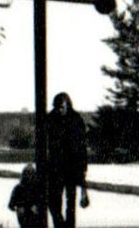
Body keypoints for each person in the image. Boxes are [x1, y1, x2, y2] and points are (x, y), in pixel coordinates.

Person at [45, 92, 90, 227]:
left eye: (62, 107)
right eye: (58, 107)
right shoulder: (51, 119)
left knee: (71, 203)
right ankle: (60, 226)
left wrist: (82, 170)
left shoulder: (76, 119)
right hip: (55, 166)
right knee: (53, 202)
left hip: (72, 166)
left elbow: (82, 146)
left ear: (67, 105)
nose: (60, 110)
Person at [7, 163, 47, 228]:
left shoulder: (37, 188)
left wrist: (37, 206)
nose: (29, 176)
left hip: (35, 217)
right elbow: (10, 205)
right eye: (27, 173)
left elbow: (43, 202)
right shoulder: (18, 188)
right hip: (24, 217)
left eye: (31, 173)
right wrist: (18, 208)